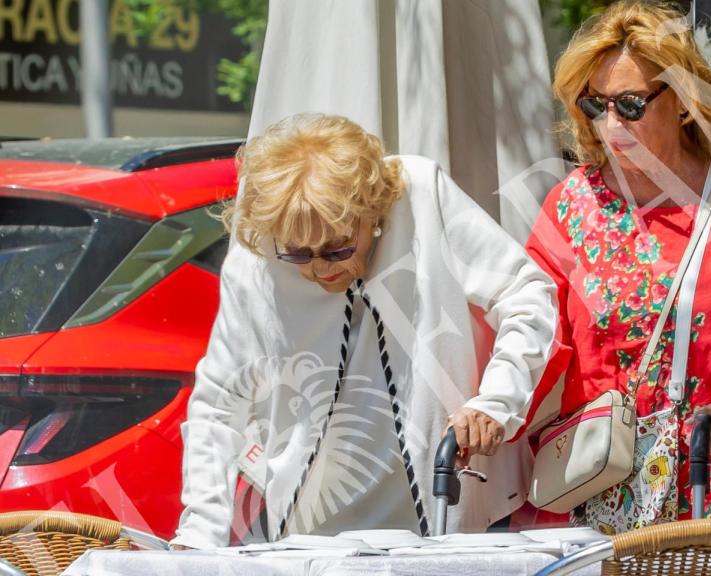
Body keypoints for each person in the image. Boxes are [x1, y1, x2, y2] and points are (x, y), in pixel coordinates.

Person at [170, 113, 562, 548]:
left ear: (372, 212)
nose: (320, 269)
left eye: (338, 249)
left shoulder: (420, 194)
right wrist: (199, 530)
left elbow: (525, 294)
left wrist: (497, 401)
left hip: (448, 504)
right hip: (314, 529)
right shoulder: (257, 256)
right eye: (298, 255)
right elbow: (220, 403)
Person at [525, 0, 711, 532]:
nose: (611, 122)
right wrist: (491, 411)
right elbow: (534, 333)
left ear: (683, 101)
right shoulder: (568, 207)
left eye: (631, 104)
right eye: (597, 106)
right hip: (599, 490)